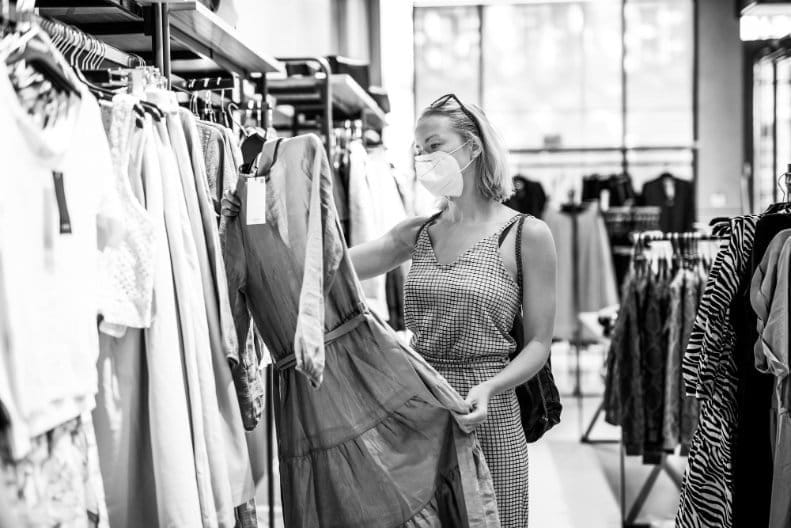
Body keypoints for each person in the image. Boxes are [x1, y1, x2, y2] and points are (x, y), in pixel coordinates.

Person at [222, 93, 557, 528]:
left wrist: (492, 388)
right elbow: (326, 266)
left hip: (489, 409)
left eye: (433, 146)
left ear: (473, 147)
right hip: (422, 400)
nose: (422, 159)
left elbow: (538, 343)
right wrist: (251, 219)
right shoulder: (418, 232)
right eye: (417, 149)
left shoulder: (526, 235)